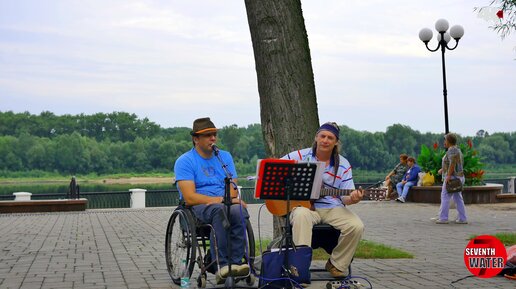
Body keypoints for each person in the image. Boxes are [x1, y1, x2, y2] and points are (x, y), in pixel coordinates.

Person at [281, 122, 364, 278]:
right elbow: (277, 169)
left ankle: (336, 264)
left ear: (336, 142)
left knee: (356, 225)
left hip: (333, 208)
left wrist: (353, 199)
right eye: (323, 136)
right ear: (316, 138)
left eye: (330, 137)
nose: (325, 140)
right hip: (304, 207)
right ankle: (299, 269)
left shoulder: (343, 164)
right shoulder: (299, 156)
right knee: (300, 215)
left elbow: (345, 198)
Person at [174, 117, 250, 284]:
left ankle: (236, 263)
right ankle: (222, 265)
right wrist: (219, 200)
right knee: (220, 210)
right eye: (208, 135)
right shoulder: (185, 161)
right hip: (198, 206)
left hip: (224, 203)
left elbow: (232, 186)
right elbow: (189, 196)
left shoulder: (224, 157)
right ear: (196, 139)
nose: (213, 138)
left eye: (214, 134)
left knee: (239, 210)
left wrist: (228, 199)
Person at [436, 133, 468, 224]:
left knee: (445, 197)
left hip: (453, 178)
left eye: (445, 140)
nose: (444, 142)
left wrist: (448, 176)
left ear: (449, 141)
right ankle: (462, 218)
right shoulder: (457, 149)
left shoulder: (452, 150)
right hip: (459, 176)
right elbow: (454, 163)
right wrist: (443, 169)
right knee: (458, 198)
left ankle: (443, 218)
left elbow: (453, 163)